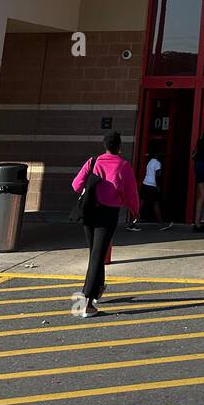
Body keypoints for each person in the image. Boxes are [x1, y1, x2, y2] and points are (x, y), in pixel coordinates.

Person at [70, 131, 140, 317]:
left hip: (88, 212)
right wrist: (135, 210)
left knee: (95, 252)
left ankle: (98, 287)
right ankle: (87, 303)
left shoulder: (92, 161)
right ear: (119, 147)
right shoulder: (123, 165)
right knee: (97, 255)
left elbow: (76, 185)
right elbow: (130, 193)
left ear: (105, 145)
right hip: (107, 214)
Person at [134, 152, 173, 230]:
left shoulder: (150, 162)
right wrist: (158, 186)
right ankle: (161, 224)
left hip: (145, 184)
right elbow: (157, 175)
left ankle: (133, 222)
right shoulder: (158, 163)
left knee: (140, 204)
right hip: (152, 185)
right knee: (156, 204)